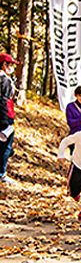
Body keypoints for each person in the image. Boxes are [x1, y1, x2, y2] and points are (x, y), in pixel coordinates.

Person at [0, 53, 19, 184]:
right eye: (10, 64)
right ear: (3, 64)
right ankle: (1, 173)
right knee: (5, 147)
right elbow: (3, 100)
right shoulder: (4, 80)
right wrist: (4, 121)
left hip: (4, 115)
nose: (11, 67)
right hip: (6, 115)